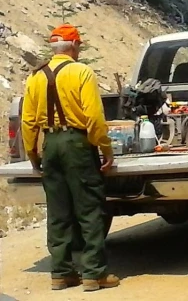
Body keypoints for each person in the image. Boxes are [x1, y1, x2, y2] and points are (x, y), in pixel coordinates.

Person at [20, 24, 119, 292]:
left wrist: (33, 154)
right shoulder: (82, 72)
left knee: (59, 211)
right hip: (77, 143)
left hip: (50, 144)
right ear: (74, 46)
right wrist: (106, 150)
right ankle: (94, 274)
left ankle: (61, 274)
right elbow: (94, 118)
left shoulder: (35, 77)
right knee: (89, 209)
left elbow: (28, 121)